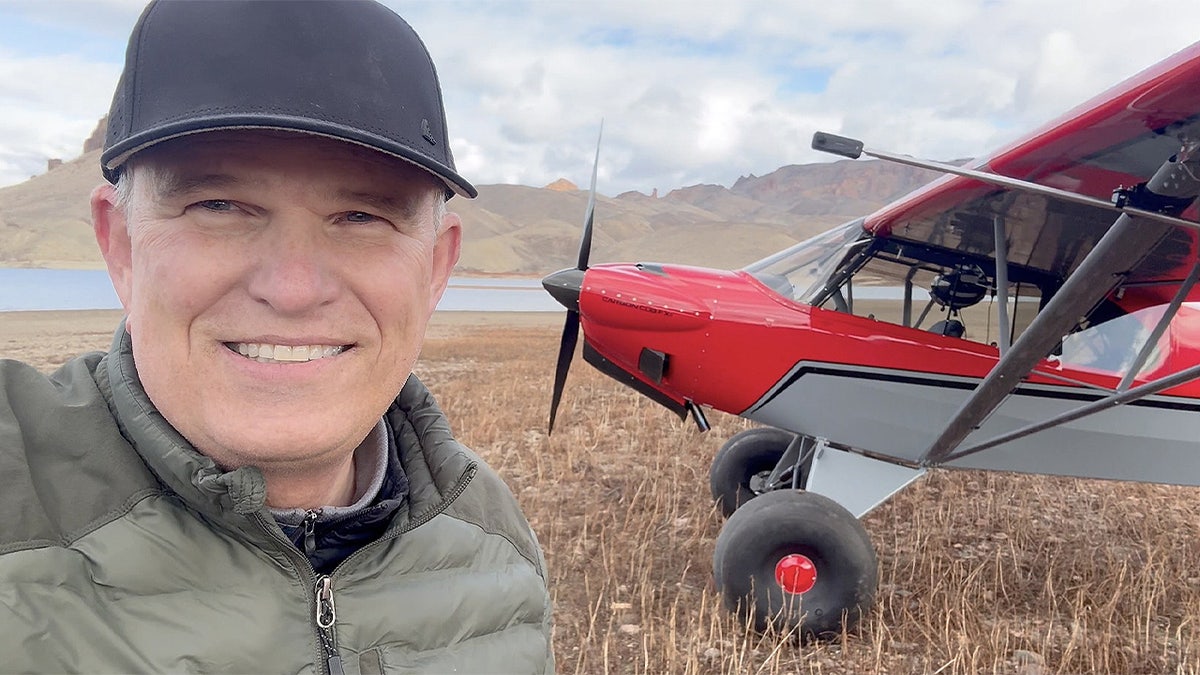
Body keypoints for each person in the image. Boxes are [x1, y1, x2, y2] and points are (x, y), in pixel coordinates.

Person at [0, 1, 554, 672]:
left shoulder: (492, 539)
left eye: (361, 215)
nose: (292, 288)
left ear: (436, 266)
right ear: (119, 243)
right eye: (219, 206)